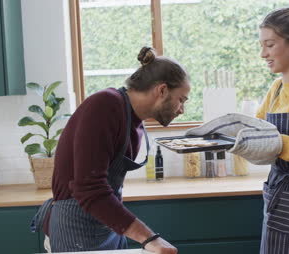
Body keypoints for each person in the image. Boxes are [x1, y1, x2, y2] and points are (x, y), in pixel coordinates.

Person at [186, 7, 289, 254]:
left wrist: (280, 144)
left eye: (270, 45)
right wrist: (223, 136)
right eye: (261, 45)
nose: (263, 54)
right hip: (280, 199)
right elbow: (261, 138)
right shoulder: (277, 88)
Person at [31, 47, 190, 254]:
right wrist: (150, 238)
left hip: (107, 226)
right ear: (162, 91)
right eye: (181, 100)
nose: (181, 109)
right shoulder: (105, 106)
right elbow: (89, 189)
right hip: (75, 228)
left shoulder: (134, 118)